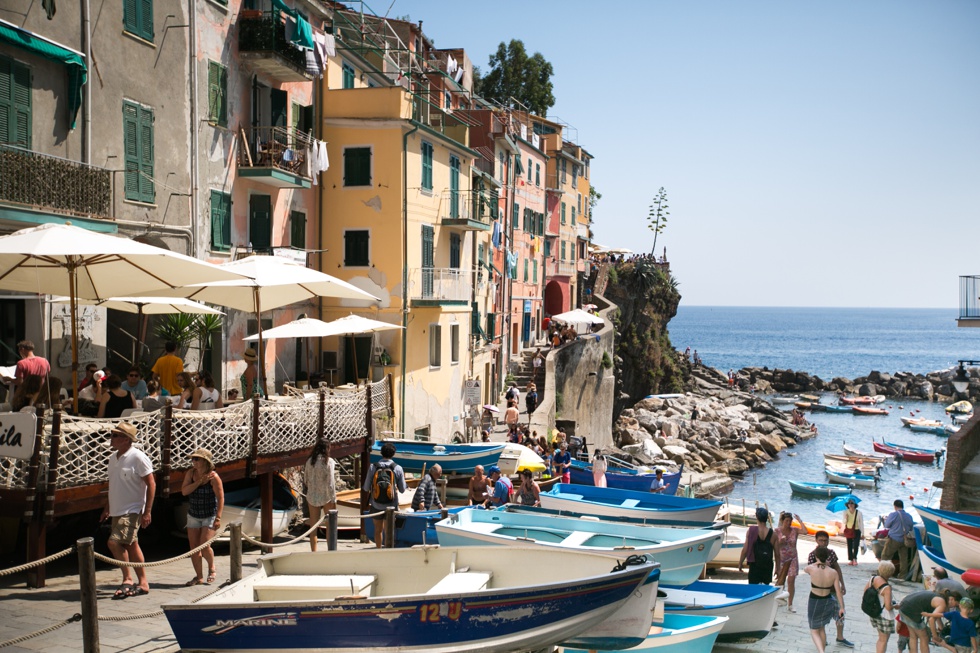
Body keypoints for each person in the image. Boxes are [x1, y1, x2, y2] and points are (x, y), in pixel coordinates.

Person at [101, 422, 155, 599]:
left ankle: (127, 579)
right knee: (131, 544)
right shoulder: (112, 458)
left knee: (114, 542)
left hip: (132, 509)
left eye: (115, 435)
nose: (111, 438)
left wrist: (147, 511)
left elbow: (151, 483)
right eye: (112, 434)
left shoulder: (138, 457)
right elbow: (113, 485)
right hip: (117, 509)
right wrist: (107, 508)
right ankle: (143, 583)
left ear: (126, 439)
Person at [180, 448, 223, 586]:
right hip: (194, 514)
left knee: (204, 545)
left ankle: (212, 567)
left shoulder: (213, 477)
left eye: (196, 459)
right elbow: (184, 491)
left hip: (209, 514)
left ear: (205, 461)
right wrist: (198, 482)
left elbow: (220, 498)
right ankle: (199, 577)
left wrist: (218, 517)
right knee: (194, 547)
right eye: (193, 459)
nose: (193, 462)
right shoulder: (191, 473)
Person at [808, 530, 852, 647]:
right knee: (821, 616)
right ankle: (823, 639)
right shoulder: (813, 555)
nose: (823, 542)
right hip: (821, 591)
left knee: (840, 612)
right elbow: (810, 571)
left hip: (833, 588)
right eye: (821, 540)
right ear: (816, 541)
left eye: (825, 540)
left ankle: (840, 636)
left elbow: (837, 568)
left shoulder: (831, 553)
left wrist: (842, 583)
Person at [361, 442, 406, 548]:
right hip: (391, 505)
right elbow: (403, 490)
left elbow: (366, 488)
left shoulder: (373, 467)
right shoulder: (397, 468)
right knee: (389, 530)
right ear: (393, 454)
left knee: (378, 530)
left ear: (381, 453)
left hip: (376, 504)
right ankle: (388, 551)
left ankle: (379, 550)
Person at [805, 546, 847, 653]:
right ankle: (822, 649)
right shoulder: (833, 572)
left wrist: (817, 563)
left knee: (814, 630)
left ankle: (821, 651)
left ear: (816, 556)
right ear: (828, 557)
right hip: (828, 600)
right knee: (821, 628)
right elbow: (838, 592)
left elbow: (805, 569)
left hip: (815, 600)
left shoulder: (812, 568)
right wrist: (842, 607)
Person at [303, 439, 335, 552]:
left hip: (312, 496)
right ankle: (330, 551)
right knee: (329, 526)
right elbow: (331, 483)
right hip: (326, 496)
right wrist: (333, 499)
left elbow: (305, 480)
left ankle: (314, 553)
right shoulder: (329, 462)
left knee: (313, 527)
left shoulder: (309, 461)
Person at [739, 507, 778, 586]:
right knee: (765, 590)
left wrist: (740, 563)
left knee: (753, 588)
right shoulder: (773, 534)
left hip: (755, 564)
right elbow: (777, 554)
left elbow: (745, 550)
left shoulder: (751, 531)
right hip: (767, 565)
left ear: (757, 517)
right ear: (767, 518)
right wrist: (778, 568)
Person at [775, 511, 805, 613]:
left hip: (792, 558)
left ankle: (790, 604)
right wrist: (780, 542)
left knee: (791, 581)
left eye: (790, 521)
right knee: (780, 581)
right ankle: (779, 599)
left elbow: (805, 532)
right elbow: (774, 546)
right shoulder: (777, 531)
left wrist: (800, 520)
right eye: (786, 521)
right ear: (782, 521)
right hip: (781, 559)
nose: (788, 523)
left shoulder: (794, 531)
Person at [865, 560, 897, 653]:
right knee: (884, 640)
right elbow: (888, 607)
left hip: (874, 612)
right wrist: (896, 606)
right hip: (884, 616)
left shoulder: (873, 579)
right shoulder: (887, 588)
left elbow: (865, 591)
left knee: (880, 639)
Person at [881, 499, 915, 580]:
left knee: (886, 556)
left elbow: (887, 525)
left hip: (894, 538)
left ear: (895, 506)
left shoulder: (894, 514)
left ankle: (882, 573)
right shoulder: (909, 516)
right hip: (904, 540)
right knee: (904, 559)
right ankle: (902, 576)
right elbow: (910, 528)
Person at [842, 498, 865, 565]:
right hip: (848, 530)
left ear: (855, 504)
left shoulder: (859, 513)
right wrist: (846, 518)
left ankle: (855, 558)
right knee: (849, 545)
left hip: (857, 530)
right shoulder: (845, 512)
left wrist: (863, 533)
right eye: (849, 503)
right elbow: (844, 522)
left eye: (852, 503)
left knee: (856, 545)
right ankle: (851, 559)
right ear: (847, 505)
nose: (851, 505)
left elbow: (861, 523)